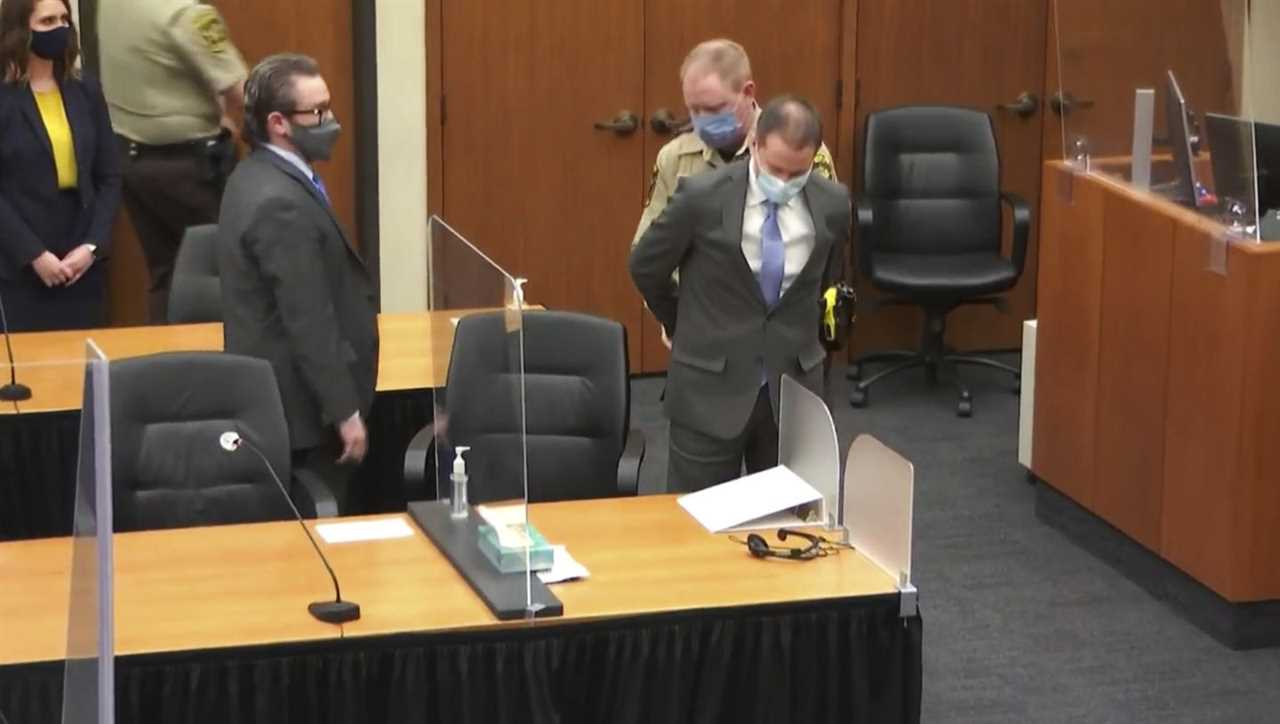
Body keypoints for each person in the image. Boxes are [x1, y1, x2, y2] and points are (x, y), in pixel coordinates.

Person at [630, 96, 850, 492]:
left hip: (793, 389)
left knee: (792, 524)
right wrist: (681, 321)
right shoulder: (701, 197)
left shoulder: (833, 204)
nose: (783, 184)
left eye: (796, 174)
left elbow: (826, 280)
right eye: (774, 169)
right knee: (696, 528)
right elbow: (646, 265)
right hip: (708, 387)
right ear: (754, 144)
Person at [218, 54, 378, 512]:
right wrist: (344, 412)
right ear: (278, 124)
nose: (331, 122)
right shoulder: (277, 202)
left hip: (284, 403)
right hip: (304, 418)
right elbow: (308, 319)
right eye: (317, 113)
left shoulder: (254, 175)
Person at [633, 38, 837, 349]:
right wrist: (679, 316)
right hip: (706, 330)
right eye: (693, 109)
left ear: (748, 93)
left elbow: (824, 245)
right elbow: (650, 251)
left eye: (714, 109)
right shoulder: (675, 158)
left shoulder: (797, 152)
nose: (702, 119)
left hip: (784, 329)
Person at [98, 0, 246, 323]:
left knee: (168, 274)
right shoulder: (185, 14)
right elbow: (244, 92)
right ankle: (226, 367)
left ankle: (172, 362)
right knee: (227, 270)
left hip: (133, 163)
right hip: (189, 168)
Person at [0, 0, 121, 331]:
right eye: (48, 20)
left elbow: (109, 176)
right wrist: (34, 255)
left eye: (65, 19)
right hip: (20, 265)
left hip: (82, 261)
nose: (61, 28)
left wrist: (92, 246)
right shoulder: (5, 98)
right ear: (20, 29)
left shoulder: (85, 89)